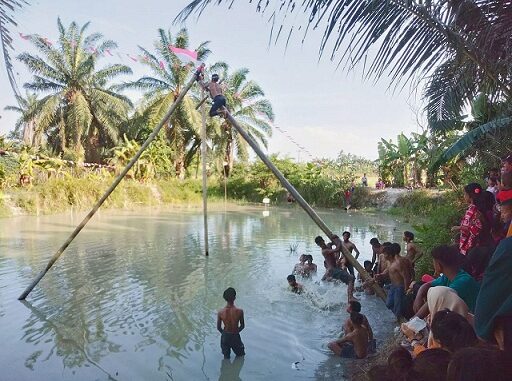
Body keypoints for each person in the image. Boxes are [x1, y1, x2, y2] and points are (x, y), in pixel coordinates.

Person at [474, 195, 512, 351]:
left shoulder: (506, 247)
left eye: (504, 210)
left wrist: (483, 327)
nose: (501, 214)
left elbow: (492, 287)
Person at [413, 245, 480, 318]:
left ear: (439, 265)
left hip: (473, 322)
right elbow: (427, 285)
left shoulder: (463, 282)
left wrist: (411, 323)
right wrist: (418, 297)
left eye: (434, 263)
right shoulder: (449, 276)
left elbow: (436, 301)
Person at [451, 183, 493, 255]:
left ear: (470, 196)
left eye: (465, 194)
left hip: (471, 245)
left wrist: (459, 228)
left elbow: (475, 228)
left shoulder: (473, 210)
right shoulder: (480, 208)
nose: (464, 196)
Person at [376, 243, 413, 320]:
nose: (383, 256)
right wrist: (380, 275)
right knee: (388, 304)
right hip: (393, 286)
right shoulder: (390, 263)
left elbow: (406, 277)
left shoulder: (398, 263)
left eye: (385, 254)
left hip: (400, 287)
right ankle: (398, 314)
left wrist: (406, 289)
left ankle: (398, 320)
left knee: (397, 307)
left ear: (389, 255)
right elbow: (387, 272)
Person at [315, 235, 356, 301]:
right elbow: (337, 249)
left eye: (321, 243)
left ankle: (350, 297)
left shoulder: (328, 245)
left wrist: (335, 238)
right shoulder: (324, 251)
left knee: (349, 281)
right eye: (319, 244)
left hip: (335, 269)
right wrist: (338, 240)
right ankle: (350, 297)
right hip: (333, 270)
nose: (321, 245)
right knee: (351, 278)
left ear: (323, 240)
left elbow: (335, 243)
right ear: (318, 245)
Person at [217, 287, 245, 359]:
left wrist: (225, 334)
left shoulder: (220, 312)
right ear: (235, 298)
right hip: (235, 335)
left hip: (225, 336)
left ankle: (226, 368)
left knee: (226, 357)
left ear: (225, 298)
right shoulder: (240, 311)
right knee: (241, 355)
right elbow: (242, 326)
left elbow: (219, 328)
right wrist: (235, 332)